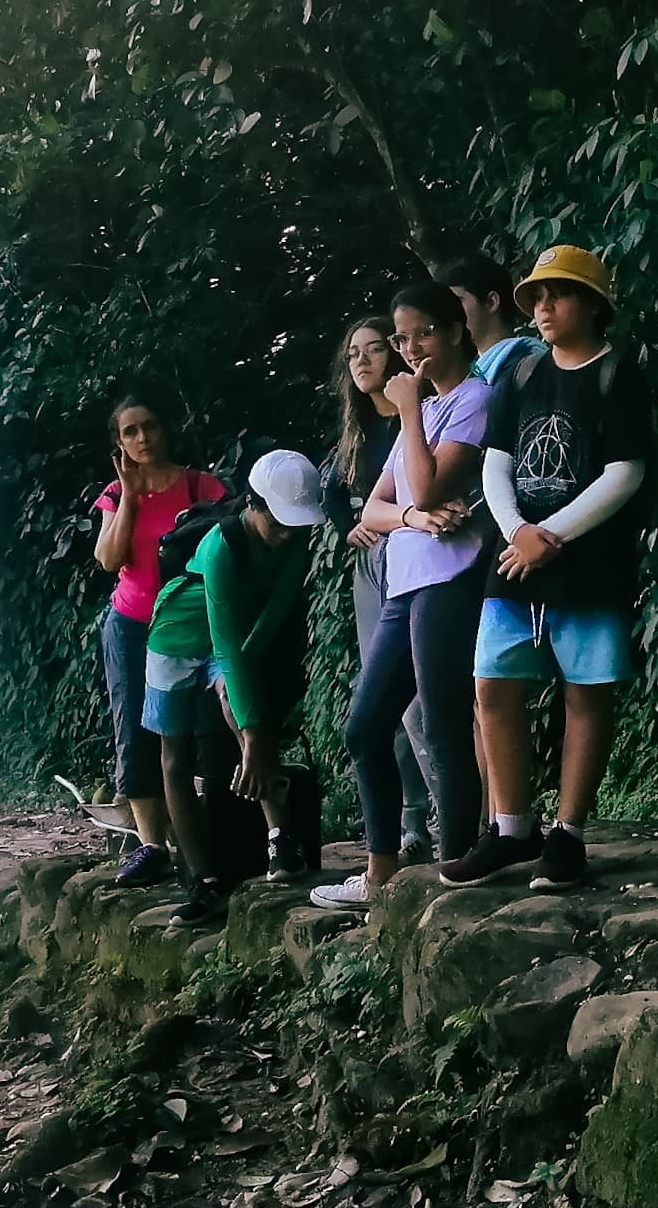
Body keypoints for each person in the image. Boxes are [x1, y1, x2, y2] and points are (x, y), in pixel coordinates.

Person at [457, 246, 655, 889]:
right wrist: (518, 529)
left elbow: (626, 471)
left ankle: (567, 833)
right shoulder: (520, 375)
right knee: (492, 682)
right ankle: (512, 827)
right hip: (515, 556)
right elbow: (496, 459)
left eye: (558, 295)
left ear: (593, 305)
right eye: (537, 297)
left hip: (588, 560)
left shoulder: (618, 372)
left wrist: (554, 535)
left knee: (586, 692)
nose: (543, 308)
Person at [314, 283, 494, 910]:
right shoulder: (427, 407)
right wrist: (413, 519)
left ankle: (457, 865)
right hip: (405, 579)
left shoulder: (471, 401)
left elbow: (422, 483)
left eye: (421, 334)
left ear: (452, 332)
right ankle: (380, 872)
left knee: (444, 726)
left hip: (450, 577)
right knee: (364, 727)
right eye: (401, 338)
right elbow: (380, 504)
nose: (408, 349)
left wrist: (412, 412)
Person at [145, 450, 326, 922]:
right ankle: (202, 881)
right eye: (279, 522)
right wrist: (248, 733)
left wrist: (250, 732)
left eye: (296, 524)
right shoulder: (222, 545)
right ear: (254, 504)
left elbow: (271, 616)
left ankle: (281, 842)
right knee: (175, 757)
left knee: (249, 717)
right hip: (177, 637)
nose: (288, 533)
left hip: (235, 639)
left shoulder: (295, 538)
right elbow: (224, 643)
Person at [90, 394, 226, 887]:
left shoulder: (199, 486)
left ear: (165, 428)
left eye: (149, 426)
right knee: (136, 730)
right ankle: (151, 844)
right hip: (132, 624)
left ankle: (214, 833)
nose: (142, 438)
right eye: (130, 431)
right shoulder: (114, 493)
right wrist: (129, 494)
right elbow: (108, 560)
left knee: (205, 729)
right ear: (119, 442)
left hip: (195, 626)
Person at [329, 316, 435, 870]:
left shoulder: (419, 414)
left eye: (375, 349)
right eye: (354, 354)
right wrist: (350, 524)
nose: (364, 361)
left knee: (421, 704)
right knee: (383, 703)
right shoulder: (358, 426)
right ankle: (410, 826)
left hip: (419, 559)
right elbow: (334, 491)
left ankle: (457, 820)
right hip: (374, 563)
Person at [441, 254, 544, 385]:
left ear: (491, 302)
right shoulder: (474, 373)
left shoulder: (528, 366)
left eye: (455, 303)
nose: (446, 315)